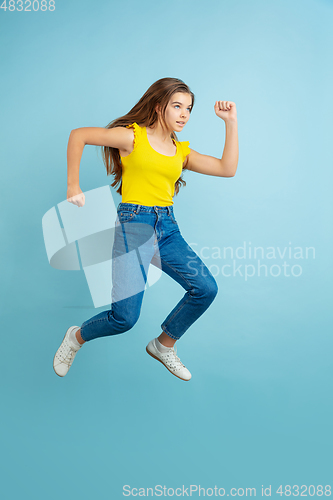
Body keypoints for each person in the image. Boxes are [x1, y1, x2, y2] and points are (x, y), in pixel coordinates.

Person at [53, 77, 239, 381]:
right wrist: (73, 184)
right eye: (177, 106)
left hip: (167, 228)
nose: (183, 114)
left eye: (189, 109)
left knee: (205, 289)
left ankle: (164, 345)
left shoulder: (181, 151)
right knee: (124, 319)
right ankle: (76, 337)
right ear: (158, 106)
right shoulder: (133, 138)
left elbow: (226, 169)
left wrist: (230, 122)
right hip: (134, 227)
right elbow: (79, 135)